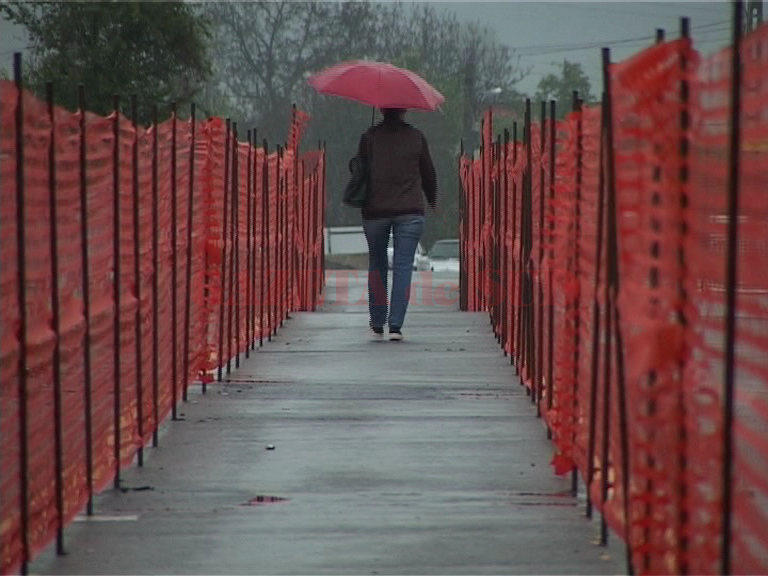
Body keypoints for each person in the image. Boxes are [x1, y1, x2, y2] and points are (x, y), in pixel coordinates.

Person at [357, 107, 437, 341]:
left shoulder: (369, 137)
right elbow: (428, 173)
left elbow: (358, 171)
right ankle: (395, 325)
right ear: (404, 110)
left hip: (375, 211)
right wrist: (432, 199)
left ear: (381, 109)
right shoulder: (416, 137)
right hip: (410, 211)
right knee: (403, 267)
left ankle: (377, 320)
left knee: (377, 263)